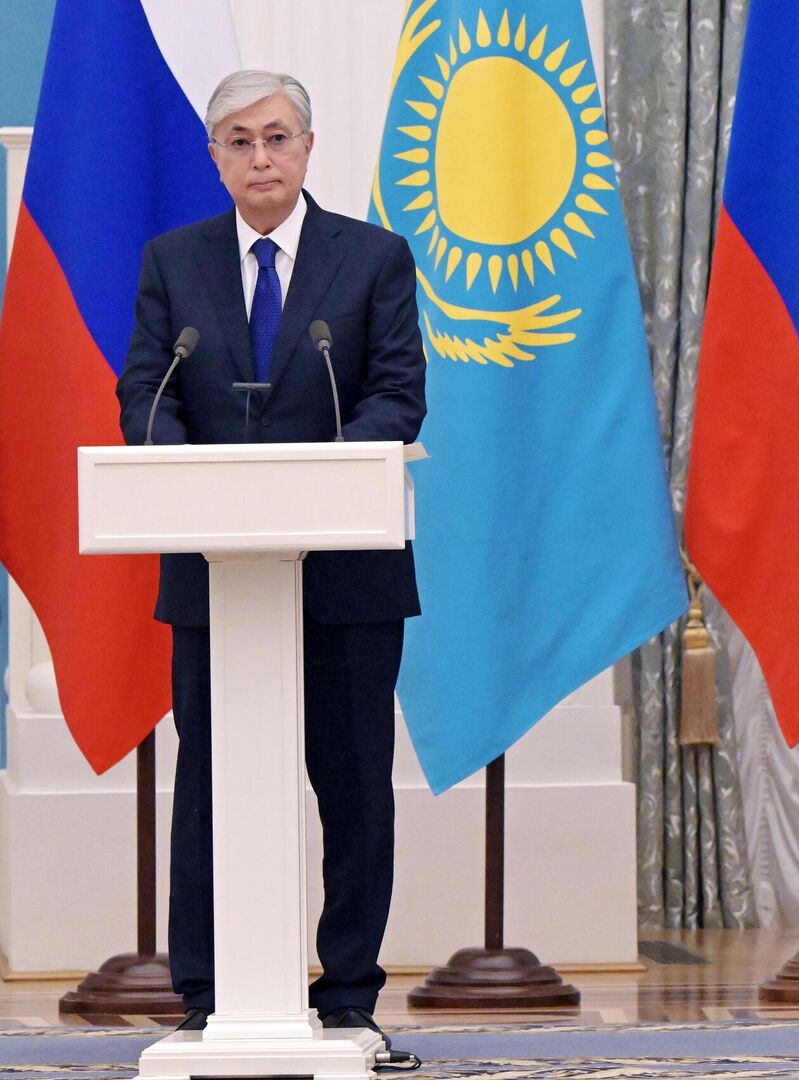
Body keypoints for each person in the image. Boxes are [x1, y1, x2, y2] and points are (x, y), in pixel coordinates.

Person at [115, 70, 426, 1046]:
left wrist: (310, 481)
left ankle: (348, 995)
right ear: (215, 156)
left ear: (308, 147)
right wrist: (202, 482)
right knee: (211, 789)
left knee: (353, 790)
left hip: (347, 574)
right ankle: (208, 994)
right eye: (240, 141)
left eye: (277, 137)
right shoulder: (174, 262)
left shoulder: (373, 258)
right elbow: (146, 395)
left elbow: (397, 396)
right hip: (220, 573)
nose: (261, 157)